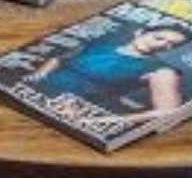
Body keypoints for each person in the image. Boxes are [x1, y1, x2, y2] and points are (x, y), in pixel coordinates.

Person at [29, 23, 192, 118]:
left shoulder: (160, 69)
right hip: (33, 91)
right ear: (140, 32)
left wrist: (93, 122)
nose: (162, 45)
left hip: (62, 109)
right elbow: (59, 59)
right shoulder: (103, 44)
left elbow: (166, 112)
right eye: (158, 37)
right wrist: (38, 75)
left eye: (171, 45)